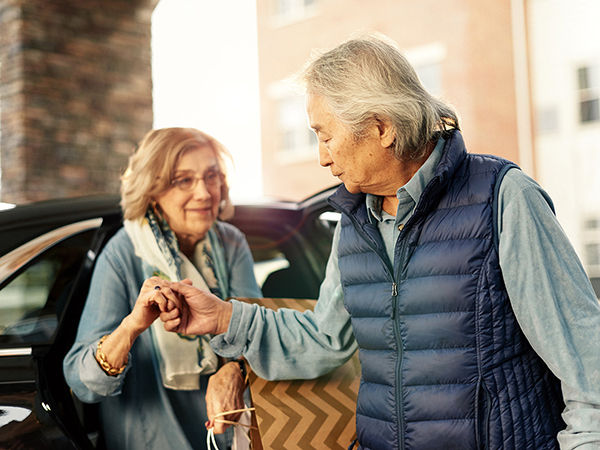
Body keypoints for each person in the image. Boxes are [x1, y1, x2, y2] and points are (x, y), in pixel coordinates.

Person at [160, 36, 600, 449]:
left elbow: (588, 369)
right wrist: (222, 318)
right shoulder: (355, 221)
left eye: (325, 134)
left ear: (381, 127)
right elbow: (324, 339)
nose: (321, 156)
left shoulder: (504, 198)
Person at [63, 127, 261, 449]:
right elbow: (84, 383)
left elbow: (258, 330)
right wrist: (132, 326)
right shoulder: (124, 252)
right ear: (152, 190)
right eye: (184, 180)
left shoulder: (230, 243)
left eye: (211, 176)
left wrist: (235, 370)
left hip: (230, 436)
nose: (205, 193)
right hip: (154, 436)